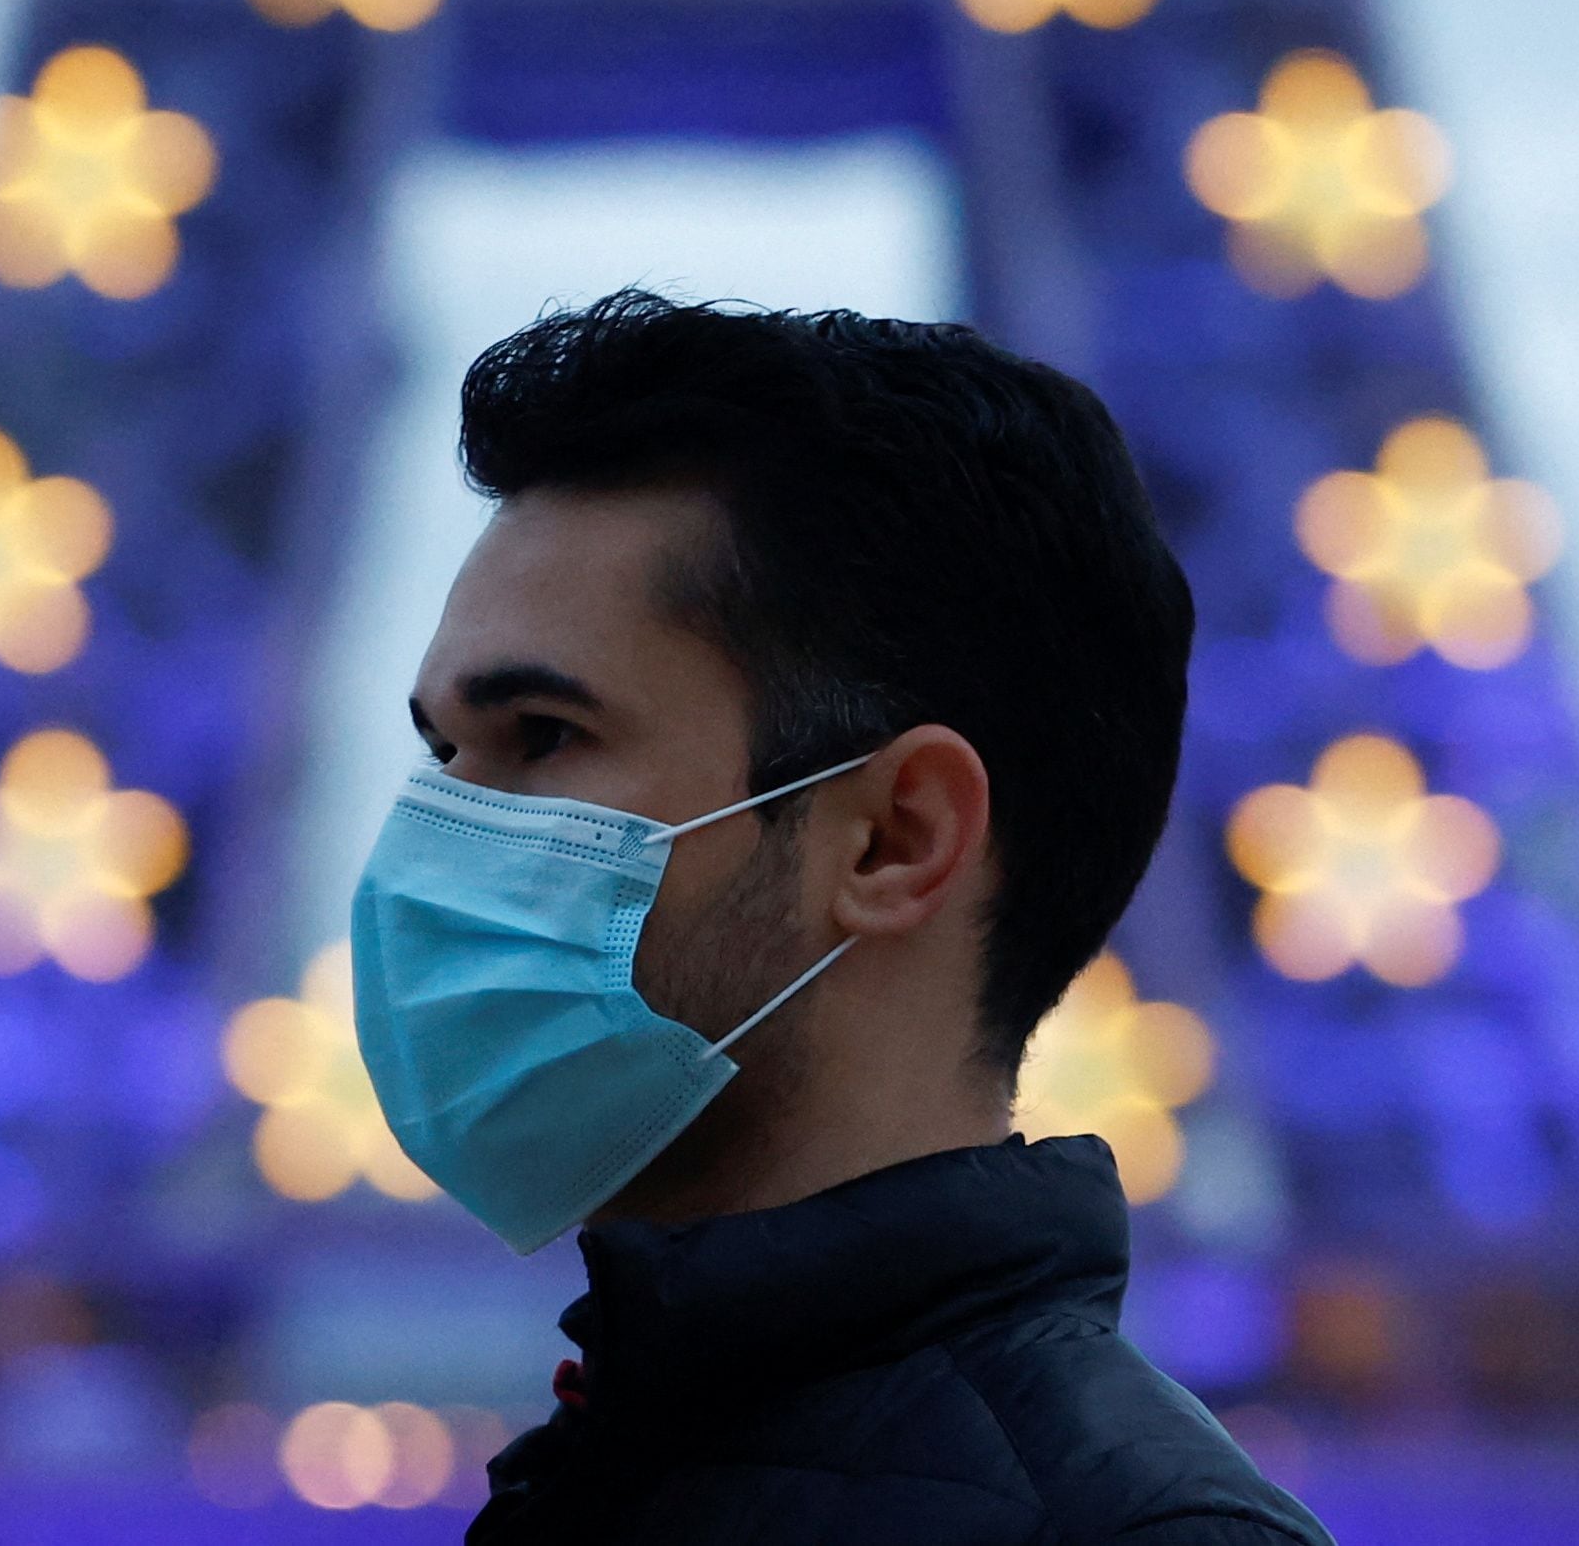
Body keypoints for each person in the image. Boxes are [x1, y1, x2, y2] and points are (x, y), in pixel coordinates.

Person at [349, 292, 1331, 1545]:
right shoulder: (602, 1467)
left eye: (543, 735)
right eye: (444, 754)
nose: (436, 839)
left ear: (893, 837)